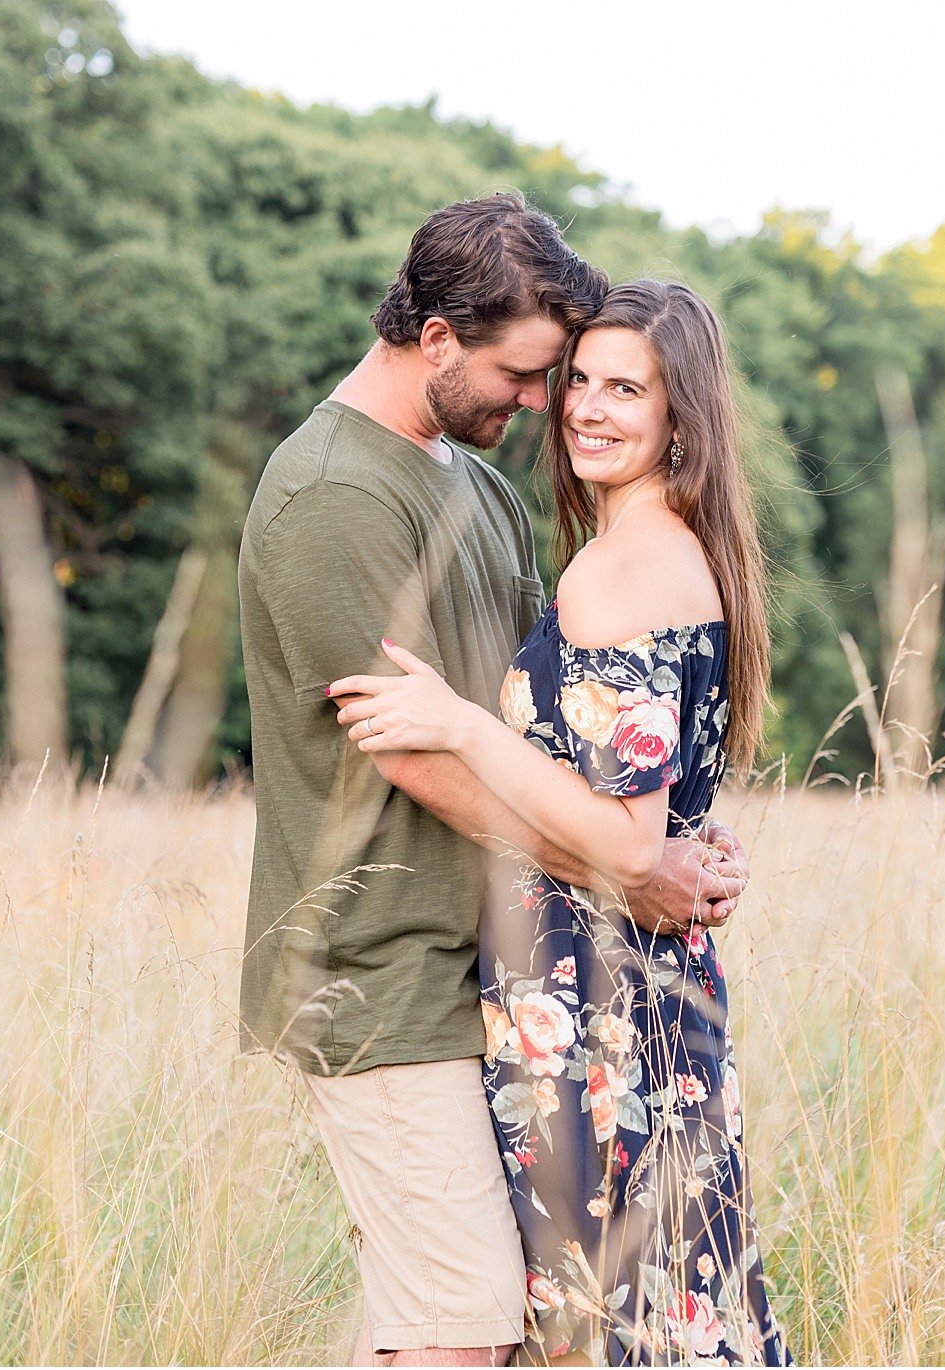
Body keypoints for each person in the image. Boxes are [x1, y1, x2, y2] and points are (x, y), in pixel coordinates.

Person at [237, 196, 752, 1367]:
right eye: (526, 374)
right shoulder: (331, 495)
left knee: (480, 1323)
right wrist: (635, 867)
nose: (543, 404)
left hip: (500, 969)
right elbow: (415, 750)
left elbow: (553, 724)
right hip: (382, 965)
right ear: (434, 338)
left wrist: (672, 835)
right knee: (462, 1315)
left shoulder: (478, 489)